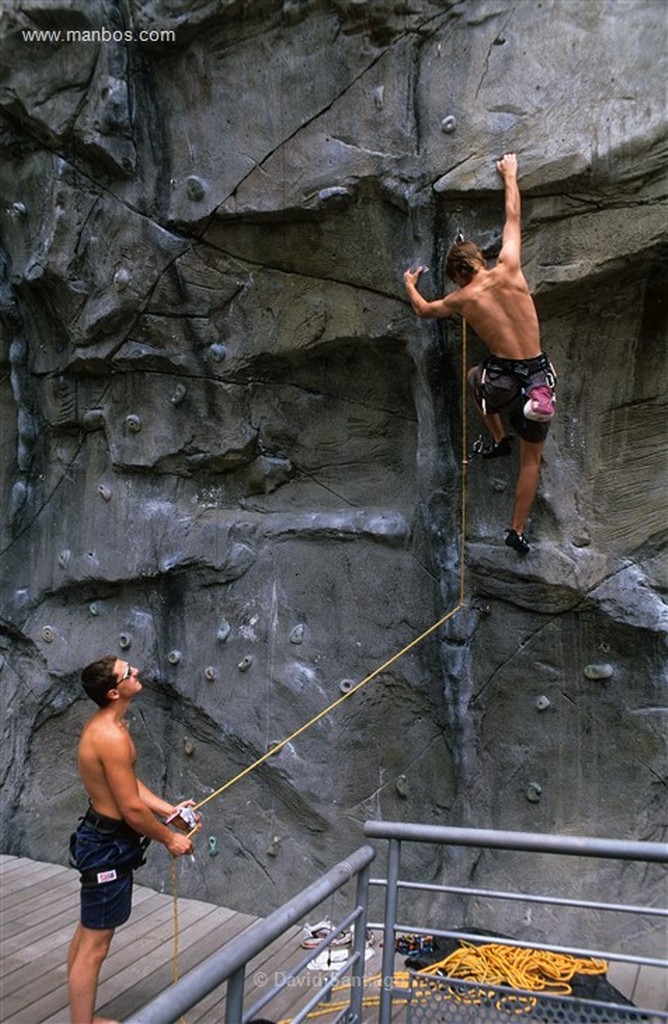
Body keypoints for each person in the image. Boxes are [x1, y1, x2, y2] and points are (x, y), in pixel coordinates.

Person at [404, 152, 556, 554]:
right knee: (532, 462)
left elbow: (422, 310)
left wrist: (409, 284)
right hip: (537, 373)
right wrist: (510, 174)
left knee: (474, 377)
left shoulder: (461, 299)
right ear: (480, 260)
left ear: (458, 275)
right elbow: (512, 216)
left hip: (503, 380)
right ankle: (517, 531)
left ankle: (498, 435)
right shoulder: (509, 267)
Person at [67, 655, 198, 1024]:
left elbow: (128, 785)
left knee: (86, 935)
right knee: (95, 945)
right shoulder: (110, 736)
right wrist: (170, 839)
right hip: (106, 845)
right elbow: (131, 810)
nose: (136, 672)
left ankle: (82, 1017)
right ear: (114, 691)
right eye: (128, 673)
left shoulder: (113, 725)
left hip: (103, 839)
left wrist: (168, 810)